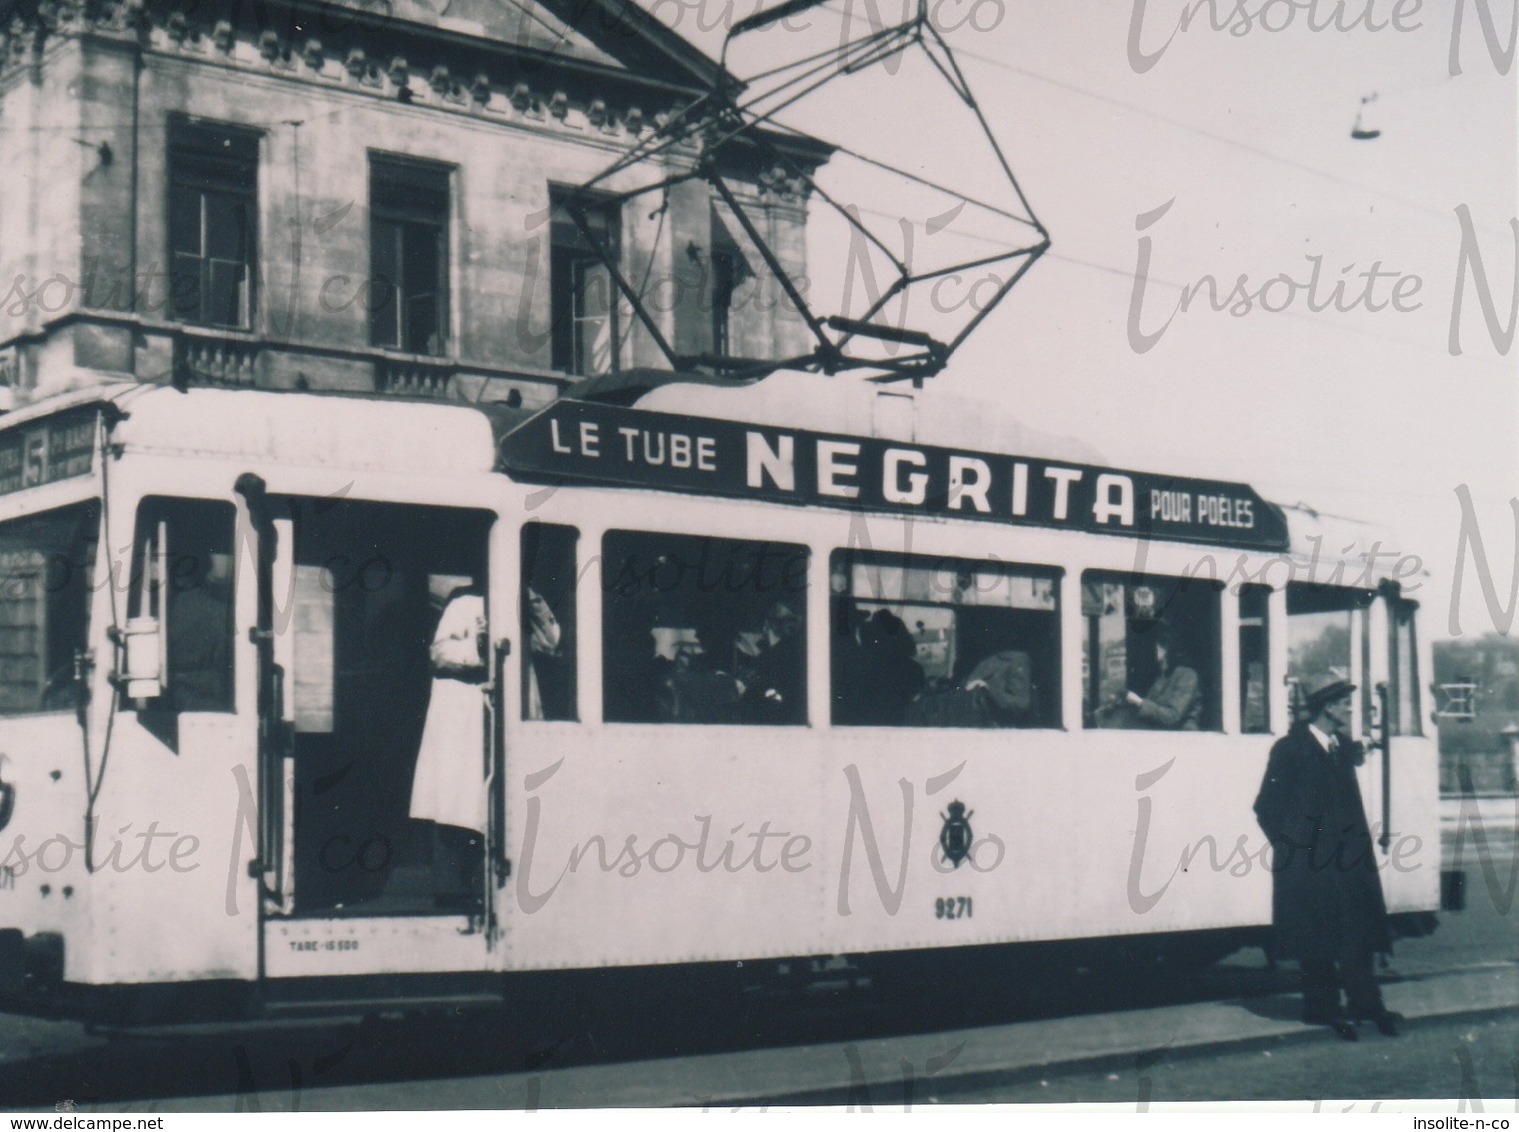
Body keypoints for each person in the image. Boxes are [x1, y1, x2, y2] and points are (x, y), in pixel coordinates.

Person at [1253, 673, 1401, 1041]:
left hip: (1349, 862)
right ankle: (1322, 1008)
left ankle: (1367, 1004)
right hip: (1310, 864)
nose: (1350, 709)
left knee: (1357, 934)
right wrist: (1296, 849)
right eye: (1345, 703)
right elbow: (1266, 806)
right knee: (1317, 939)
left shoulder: (1339, 748)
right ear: (1328, 707)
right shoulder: (1291, 749)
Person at [410, 585, 487, 910]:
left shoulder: (525, 600)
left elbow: (551, 642)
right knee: (455, 799)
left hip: (501, 712)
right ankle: (452, 889)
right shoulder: (464, 603)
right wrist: (481, 647)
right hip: (463, 711)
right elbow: (440, 652)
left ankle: (484, 883)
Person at [1102, 626, 1200, 729]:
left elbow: (1172, 716)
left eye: (1154, 646)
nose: (1148, 650)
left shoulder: (1188, 676)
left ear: (1166, 648)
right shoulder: (1163, 674)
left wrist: (1138, 702)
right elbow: (1153, 709)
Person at [734, 600, 805, 724]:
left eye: (768, 622)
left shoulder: (777, 654)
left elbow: (755, 695)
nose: (763, 629)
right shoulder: (794, 651)